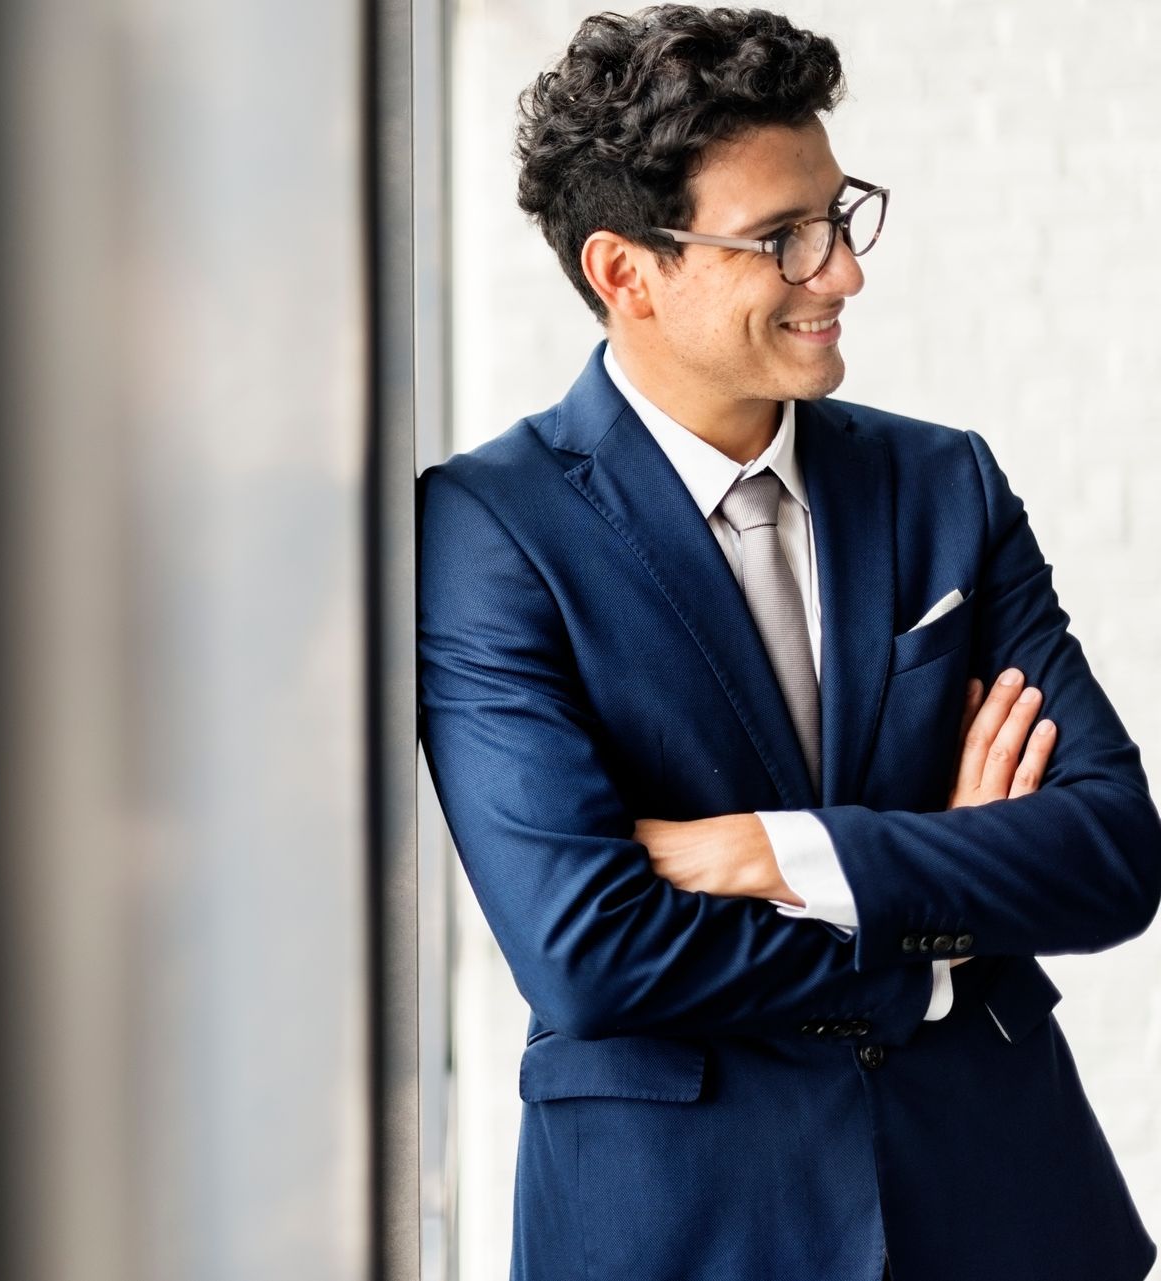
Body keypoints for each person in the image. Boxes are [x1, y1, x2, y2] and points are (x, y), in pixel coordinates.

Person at [416, 6, 1161, 1278]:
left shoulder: (945, 486)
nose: (844, 272)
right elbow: (592, 953)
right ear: (625, 272)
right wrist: (935, 939)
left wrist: (779, 853)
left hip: (1000, 1208)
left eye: (840, 214)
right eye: (782, 240)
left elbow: (1109, 857)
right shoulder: (488, 529)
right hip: (688, 1228)